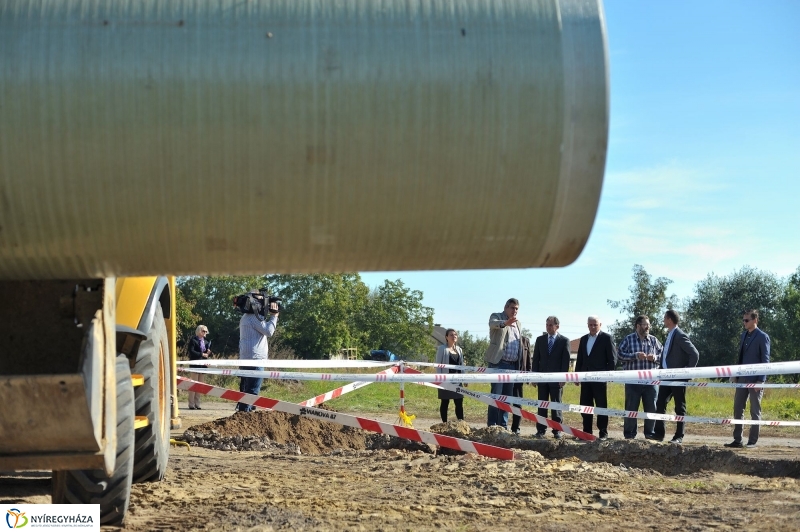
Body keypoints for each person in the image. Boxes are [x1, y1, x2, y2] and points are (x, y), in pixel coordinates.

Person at [725, 309, 770, 449]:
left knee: (754, 411)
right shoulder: (743, 335)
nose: (744, 322)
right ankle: (737, 440)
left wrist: (761, 380)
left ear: (755, 320)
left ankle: (752, 441)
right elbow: (741, 357)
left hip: (755, 379)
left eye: (747, 320)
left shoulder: (763, 337)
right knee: (738, 408)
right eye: (743, 320)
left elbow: (765, 360)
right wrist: (736, 375)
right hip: (742, 378)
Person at [653, 310, 700, 444]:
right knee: (660, 403)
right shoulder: (670, 334)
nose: (663, 320)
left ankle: (679, 436)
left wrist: (687, 372)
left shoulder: (679, 335)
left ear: (669, 319)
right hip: (665, 376)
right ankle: (659, 434)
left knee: (680, 406)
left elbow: (694, 354)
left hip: (678, 377)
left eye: (664, 318)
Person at [618, 315, 662, 440]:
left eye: (648, 324)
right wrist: (635, 356)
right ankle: (630, 434)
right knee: (631, 407)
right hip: (633, 381)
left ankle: (650, 433)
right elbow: (619, 355)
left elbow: (663, 356)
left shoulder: (654, 340)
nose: (647, 327)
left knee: (651, 407)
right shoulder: (628, 339)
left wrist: (655, 358)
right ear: (638, 326)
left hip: (651, 382)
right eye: (645, 324)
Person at [574, 316, 617, 440]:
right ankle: (586, 432)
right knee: (585, 405)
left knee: (601, 406)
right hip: (585, 379)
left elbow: (612, 359)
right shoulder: (583, 339)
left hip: (600, 379)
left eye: (595, 325)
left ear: (600, 324)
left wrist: (609, 374)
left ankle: (603, 432)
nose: (593, 327)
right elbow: (580, 359)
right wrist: (577, 375)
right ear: (587, 325)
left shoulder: (606, 338)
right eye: (590, 325)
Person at [236, 294, 280, 412]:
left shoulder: (245, 317)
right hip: (255, 359)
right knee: (252, 391)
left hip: (247, 358)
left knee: (245, 390)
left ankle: (242, 416)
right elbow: (269, 331)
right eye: (262, 301)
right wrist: (274, 316)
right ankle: (244, 417)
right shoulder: (254, 317)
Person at [484, 298, 522, 429]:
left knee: (507, 398)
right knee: (496, 396)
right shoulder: (497, 317)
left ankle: (503, 426)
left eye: (517, 308)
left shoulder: (518, 324)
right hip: (498, 363)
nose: (514, 311)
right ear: (506, 307)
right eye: (512, 308)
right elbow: (492, 324)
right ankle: (492, 426)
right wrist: (505, 323)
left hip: (512, 366)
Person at [531, 316, 571, 439]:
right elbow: (536, 359)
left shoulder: (564, 341)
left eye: (550, 325)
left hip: (556, 379)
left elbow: (565, 361)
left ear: (557, 326)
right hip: (542, 378)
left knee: (556, 405)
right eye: (547, 324)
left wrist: (563, 378)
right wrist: (534, 376)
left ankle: (557, 430)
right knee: (542, 405)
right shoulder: (540, 340)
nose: (548, 327)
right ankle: (541, 430)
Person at [435, 329, 465, 422]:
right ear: (446, 337)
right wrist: (440, 380)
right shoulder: (442, 349)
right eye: (451, 335)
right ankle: (444, 424)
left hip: (458, 381)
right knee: (445, 402)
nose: (454, 336)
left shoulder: (459, 349)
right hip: (445, 380)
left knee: (459, 402)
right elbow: (438, 365)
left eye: (455, 334)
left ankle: (461, 423)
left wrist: (464, 379)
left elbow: (462, 366)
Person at [510, 335, 532, 435]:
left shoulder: (525, 340)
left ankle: (516, 427)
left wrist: (528, 373)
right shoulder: (507, 339)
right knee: (503, 401)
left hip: (519, 377)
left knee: (517, 403)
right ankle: (502, 425)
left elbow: (528, 358)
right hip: (506, 375)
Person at [187, 325, 211, 410]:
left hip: (203, 366)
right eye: (203, 331)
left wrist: (208, 353)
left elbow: (206, 354)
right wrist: (201, 354)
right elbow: (191, 351)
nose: (205, 333)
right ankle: (191, 404)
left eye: (206, 331)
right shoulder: (193, 340)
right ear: (199, 331)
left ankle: (197, 403)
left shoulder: (207, 342)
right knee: (193, 384)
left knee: (200, 385)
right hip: (195, 365)